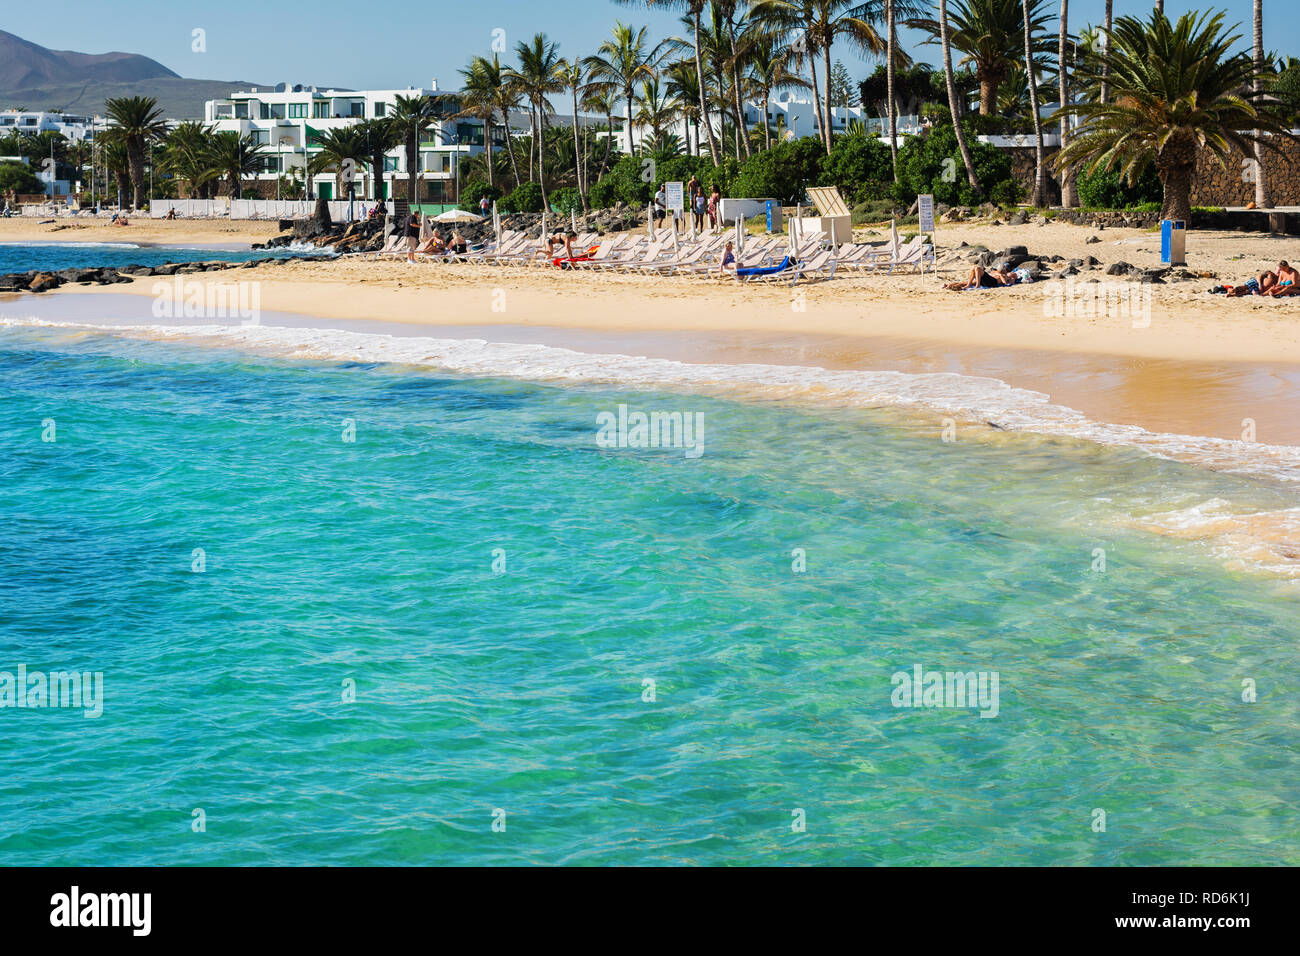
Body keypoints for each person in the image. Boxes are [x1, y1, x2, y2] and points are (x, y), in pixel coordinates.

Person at [945, 265, 1018, 291]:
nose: (1012, 272)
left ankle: (977, 285)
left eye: (1013, 273)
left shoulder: (1006, 277)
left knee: (977, 268)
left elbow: (1005, 283)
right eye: (1012, 272)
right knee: (973, 270)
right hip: (987, 280)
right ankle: (949, 286)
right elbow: (991, 273)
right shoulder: (995, 272)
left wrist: (1001, 275)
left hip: (992, 282)